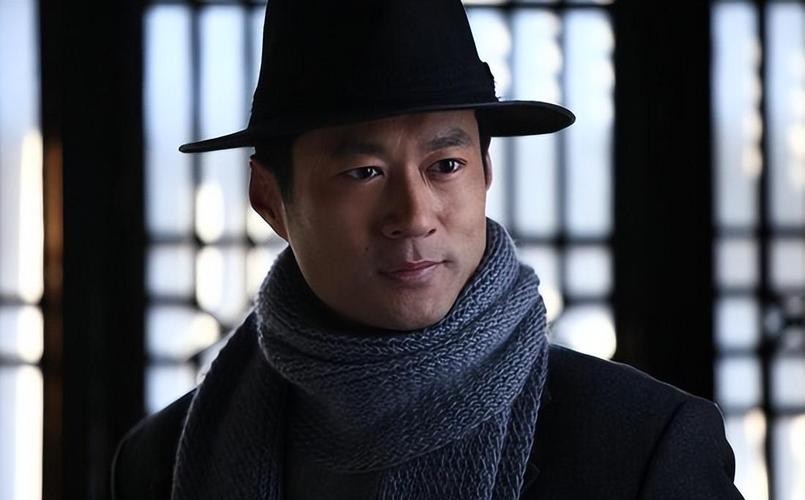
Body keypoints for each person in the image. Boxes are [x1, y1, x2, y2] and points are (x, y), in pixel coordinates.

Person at [112, 0, 743, 499]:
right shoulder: (162, 462)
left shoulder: (641, 444)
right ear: (271, 200)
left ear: (485, 173)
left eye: (445, 165)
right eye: (363, 172)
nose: (413, 217)